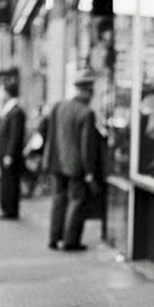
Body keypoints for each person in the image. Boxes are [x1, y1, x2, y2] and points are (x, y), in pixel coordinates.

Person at [42, 69, 100, 251]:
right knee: (76, 201)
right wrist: (90, 172)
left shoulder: (59, 106)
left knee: (58, 199)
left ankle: (54, 237)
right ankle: (70, 240)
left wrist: (48, 159)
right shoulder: (86, 113)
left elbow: (50, 136)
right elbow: (86, 147)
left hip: (57, 161)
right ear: (88, 92)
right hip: (76, 166)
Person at [0, 78, 26, 219]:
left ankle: (10, 210)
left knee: (10, 182)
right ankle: (6, 208)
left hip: (9, 154)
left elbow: (15, 135)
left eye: (1, 91)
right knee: (6, 181)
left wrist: (9, 154)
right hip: (5, 153)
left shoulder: (16, 111)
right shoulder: (8, 110)